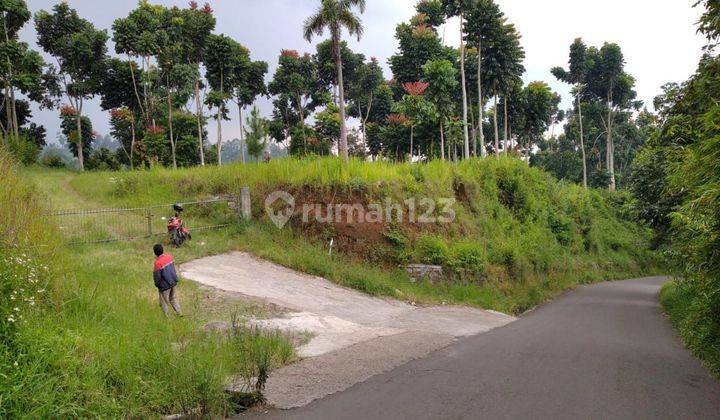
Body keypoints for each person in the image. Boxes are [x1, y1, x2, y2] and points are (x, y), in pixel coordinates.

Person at [152, 244, 183, 317]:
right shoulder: (169, 257)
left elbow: (157, 277)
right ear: (163, 250)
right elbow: (173, 269)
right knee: (173, 298)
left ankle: (166, 317)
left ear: (155, 253)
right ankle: (180, 313)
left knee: (164, 301)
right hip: (173, 282)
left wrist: (157, 285)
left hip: (165, 286)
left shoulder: (157, 263)